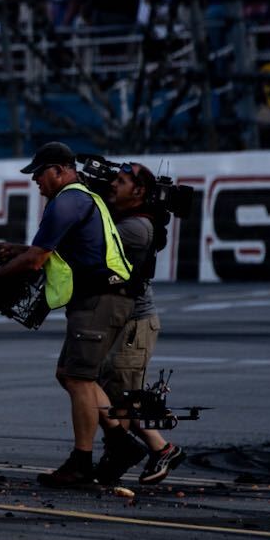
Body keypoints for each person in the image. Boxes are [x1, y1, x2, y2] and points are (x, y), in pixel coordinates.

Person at [0, 141, 134, 489]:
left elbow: (35, 260)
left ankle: (82, 462)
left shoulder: (67, 201)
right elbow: (45, 252)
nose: (36, 182)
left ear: (59, 170)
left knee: (78, 379)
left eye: (39, 174)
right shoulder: (79, 199)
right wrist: (15, 251)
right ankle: (121, 443)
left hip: (99, 298)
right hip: (105, 297)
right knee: (69, 374)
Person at [101, 162, 183, 485]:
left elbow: (93, 242)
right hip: (125, 321)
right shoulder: (131, 220)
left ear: (140, 192)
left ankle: (159, 449)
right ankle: (148, 450)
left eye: (120, 181)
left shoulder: (136, 228)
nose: (112, 185)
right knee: (113, 393)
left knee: (118, 398)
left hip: (135, 323)